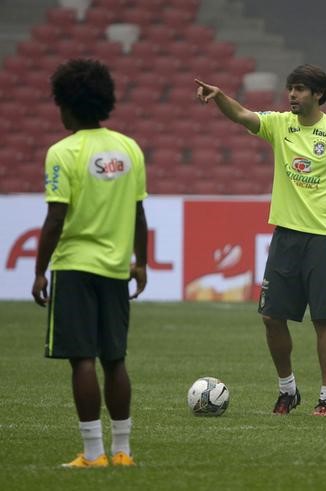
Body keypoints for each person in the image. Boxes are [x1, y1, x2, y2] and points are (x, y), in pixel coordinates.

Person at [196, 65, 326, 416]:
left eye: (300, 89)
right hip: (285, 236)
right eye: (291, 88)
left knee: (324, 320)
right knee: (271, 317)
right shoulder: (279, 123)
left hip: (325, 239)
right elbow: (242, 115)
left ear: (318, 94)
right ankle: (288, 390)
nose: (292, 95)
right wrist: (220, 96)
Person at [32, 58, 148, 468]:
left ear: (68, 104)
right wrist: (142, 263)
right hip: (117, 268)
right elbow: (138, 214)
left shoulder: (62, 152)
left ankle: (94, 454)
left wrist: (38, 270)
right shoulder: (129, 148)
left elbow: (55, 218)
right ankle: (124, 451)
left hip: (76, 268)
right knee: (114, 359)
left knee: (82, 359)